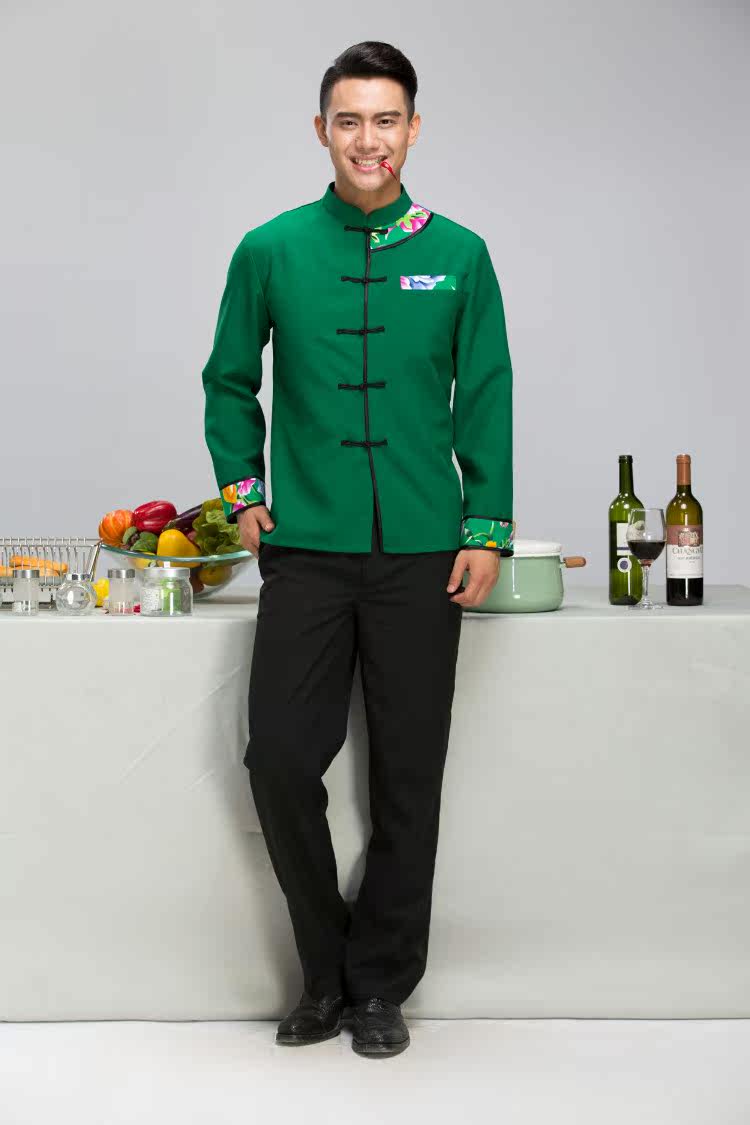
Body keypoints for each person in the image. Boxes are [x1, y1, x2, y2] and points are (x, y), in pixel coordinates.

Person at [202, 40, 514, 1058]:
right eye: (349, 120)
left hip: (425, 551)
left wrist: (487, 526)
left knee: (408, 778)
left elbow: (488, 393)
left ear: (413, 130)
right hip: (308, 548)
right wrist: (244, 490)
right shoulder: (270, 249)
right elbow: (227, 379)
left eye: (386, 120)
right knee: (280, 759)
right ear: (322, 130)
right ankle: (327, 967)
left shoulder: (460, 254)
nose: (367, 139)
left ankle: (380, 989)